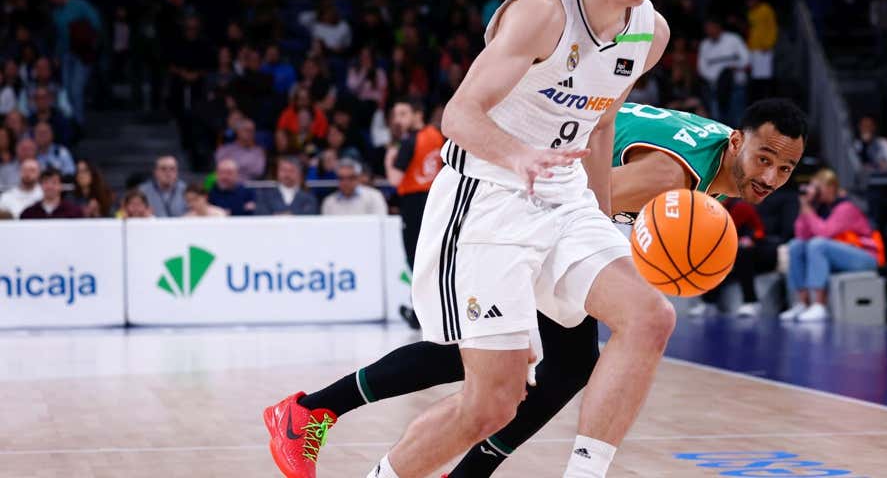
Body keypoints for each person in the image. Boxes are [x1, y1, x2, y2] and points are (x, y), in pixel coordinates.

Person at [267, 0, 684, 478]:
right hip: (486, 198)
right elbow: (457, 116)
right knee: (492, 401)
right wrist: (518, 157)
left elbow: (600, 126)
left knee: (650, 317)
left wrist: (607, 217)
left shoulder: (651, 32)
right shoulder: (543, 12)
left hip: (564, 199)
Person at [264, 98, 808, 478]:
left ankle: (327, 415)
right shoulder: (675, 177)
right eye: (765, 160)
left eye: (786, 169)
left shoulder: (719, 152)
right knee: (498, 356)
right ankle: (313, 410)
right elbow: (595, 201)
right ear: (739, 142)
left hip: (548, 199)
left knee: (558, 364)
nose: (772, 176)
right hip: (518, 198)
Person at [780, 168, 882, 322]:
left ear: (830, 187)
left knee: (818, 244)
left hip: (865, 256)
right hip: (840, 257)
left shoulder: (845, 208)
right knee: (796, 245)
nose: (814, 192)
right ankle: (803, 303)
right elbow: (801, 235)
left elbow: (824, 233)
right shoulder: (821, 209)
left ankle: (819, 305)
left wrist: (808, 209)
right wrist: (804, 207)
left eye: (817, 188)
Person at [384, 98, 445, 263]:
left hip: (413, 202)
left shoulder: (409, 141)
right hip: (437, 198)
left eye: (403, 114)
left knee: (414, 255)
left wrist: (389, 159)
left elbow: (394, 179)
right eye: (396, 115)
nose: (398, 120)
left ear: (417, 115)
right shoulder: (437, 134)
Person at [320, 158, 387, 216]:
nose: (346, 182)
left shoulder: (374, 196)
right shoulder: (329, 202)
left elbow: (381, 224)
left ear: (358, 178)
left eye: (351, 178)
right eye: (341, 178)